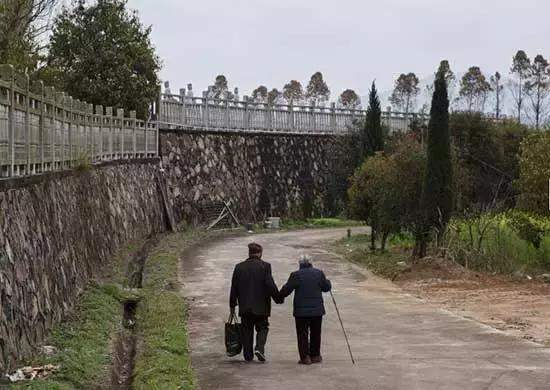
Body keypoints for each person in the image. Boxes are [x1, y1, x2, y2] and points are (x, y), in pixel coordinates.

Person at [229, 243, 281, 362]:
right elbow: (270, 284)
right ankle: (259, 348)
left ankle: (248, 356)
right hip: (261, 306)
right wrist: (278, 298)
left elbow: (234, 288)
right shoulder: (265, 266)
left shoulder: (239, 267)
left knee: (246, 330)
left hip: (245, 306)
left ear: (249, 253)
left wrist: (232, 305)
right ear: (260, 253)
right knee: (262, 327)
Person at [279, 255, 331, 365]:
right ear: (311, 263)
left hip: (301, 312)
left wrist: (279, 297)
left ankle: (305, 357)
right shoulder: (319, 273)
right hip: (317, 310)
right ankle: (315, 355)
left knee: (302, 334)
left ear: (300, 264)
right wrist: (328, 282)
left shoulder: (296, 275)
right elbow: (326, 288)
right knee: (316, 333)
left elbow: (286, 289)